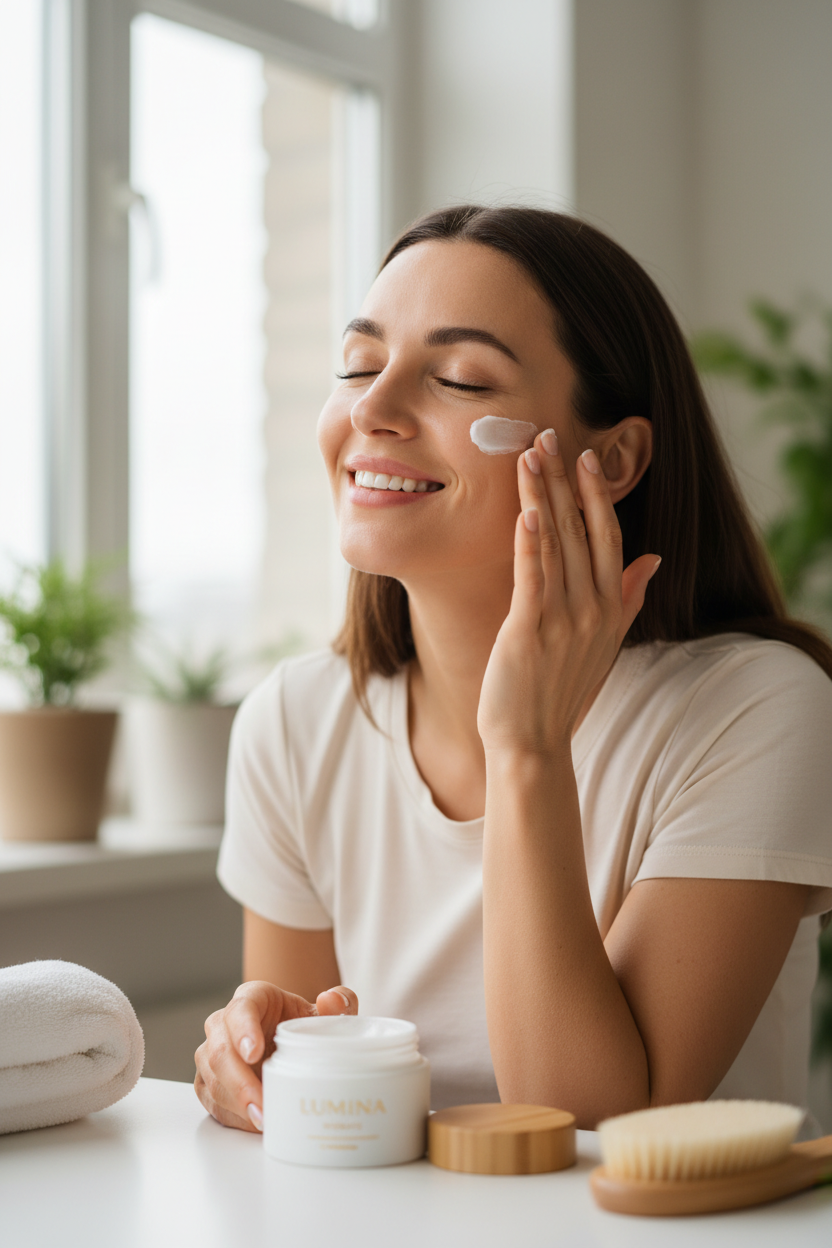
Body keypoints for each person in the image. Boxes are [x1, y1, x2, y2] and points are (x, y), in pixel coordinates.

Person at [195, 206, 832, 1135]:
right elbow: (306, 1109)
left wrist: (527, 748)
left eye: (457, 378)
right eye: (360, 365)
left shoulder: (755, 710)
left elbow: (593, 1129)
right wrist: (255, 1072)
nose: (372, 410)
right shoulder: (295, 722)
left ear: (611, 459)